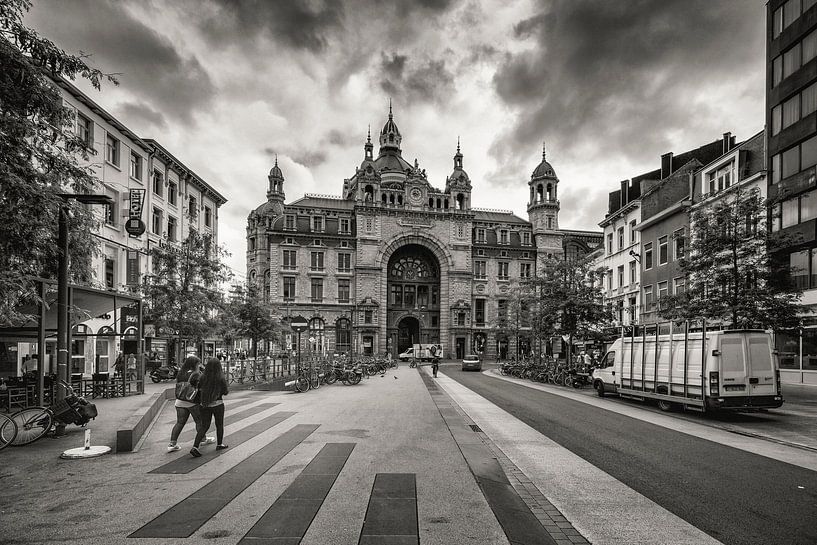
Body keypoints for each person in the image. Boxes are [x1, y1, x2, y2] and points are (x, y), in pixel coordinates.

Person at [167, 355, 214, 453]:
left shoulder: (181, 373)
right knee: (199, 421)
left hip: (180, 401)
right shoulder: (195, 374)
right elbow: (203, 384)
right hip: (192, 401)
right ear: (195, 364)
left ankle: (172, 444)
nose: (200, 365)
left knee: (180, 422)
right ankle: (203, 439)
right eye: (198, 363)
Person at [191, 357, 229, 457]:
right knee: (219, 424)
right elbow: (225, 392)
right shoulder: (220, 378)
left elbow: (198, 388)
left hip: (204, 404)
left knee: (204, 426)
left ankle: (195, 446)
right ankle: (219, 444)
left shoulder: (202, 377)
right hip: (218, 404)